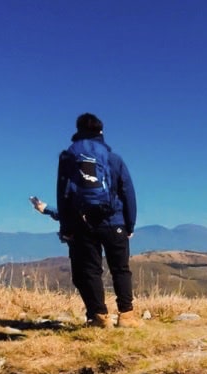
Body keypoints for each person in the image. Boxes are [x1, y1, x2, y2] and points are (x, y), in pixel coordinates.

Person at [51, 113, 139, 328]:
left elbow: (63, 194)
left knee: (90, 270)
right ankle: (126, 316)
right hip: (113, 220)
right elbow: (127, 191)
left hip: (82, 223)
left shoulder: (68, 157)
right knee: (120, 269)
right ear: (101, 132)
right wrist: (130, 224)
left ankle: (99, 317)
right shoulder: (113, 158)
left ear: (78, 130)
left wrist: (66, 226)